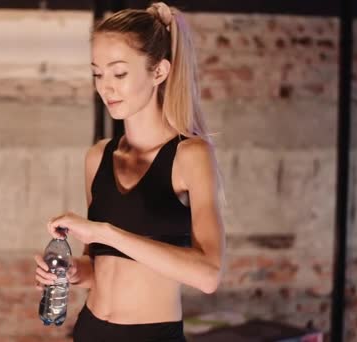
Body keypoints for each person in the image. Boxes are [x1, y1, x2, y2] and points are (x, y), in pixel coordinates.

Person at [34, 2, 225, 341]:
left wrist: (106, 232)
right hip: (90, 329)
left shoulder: (190, 155)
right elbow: (99, 267)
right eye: (97, 73)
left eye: (119, 73)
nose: (106, 87)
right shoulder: (98, 157)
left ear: (159, 72)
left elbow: (208, 275)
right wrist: (72, 272)